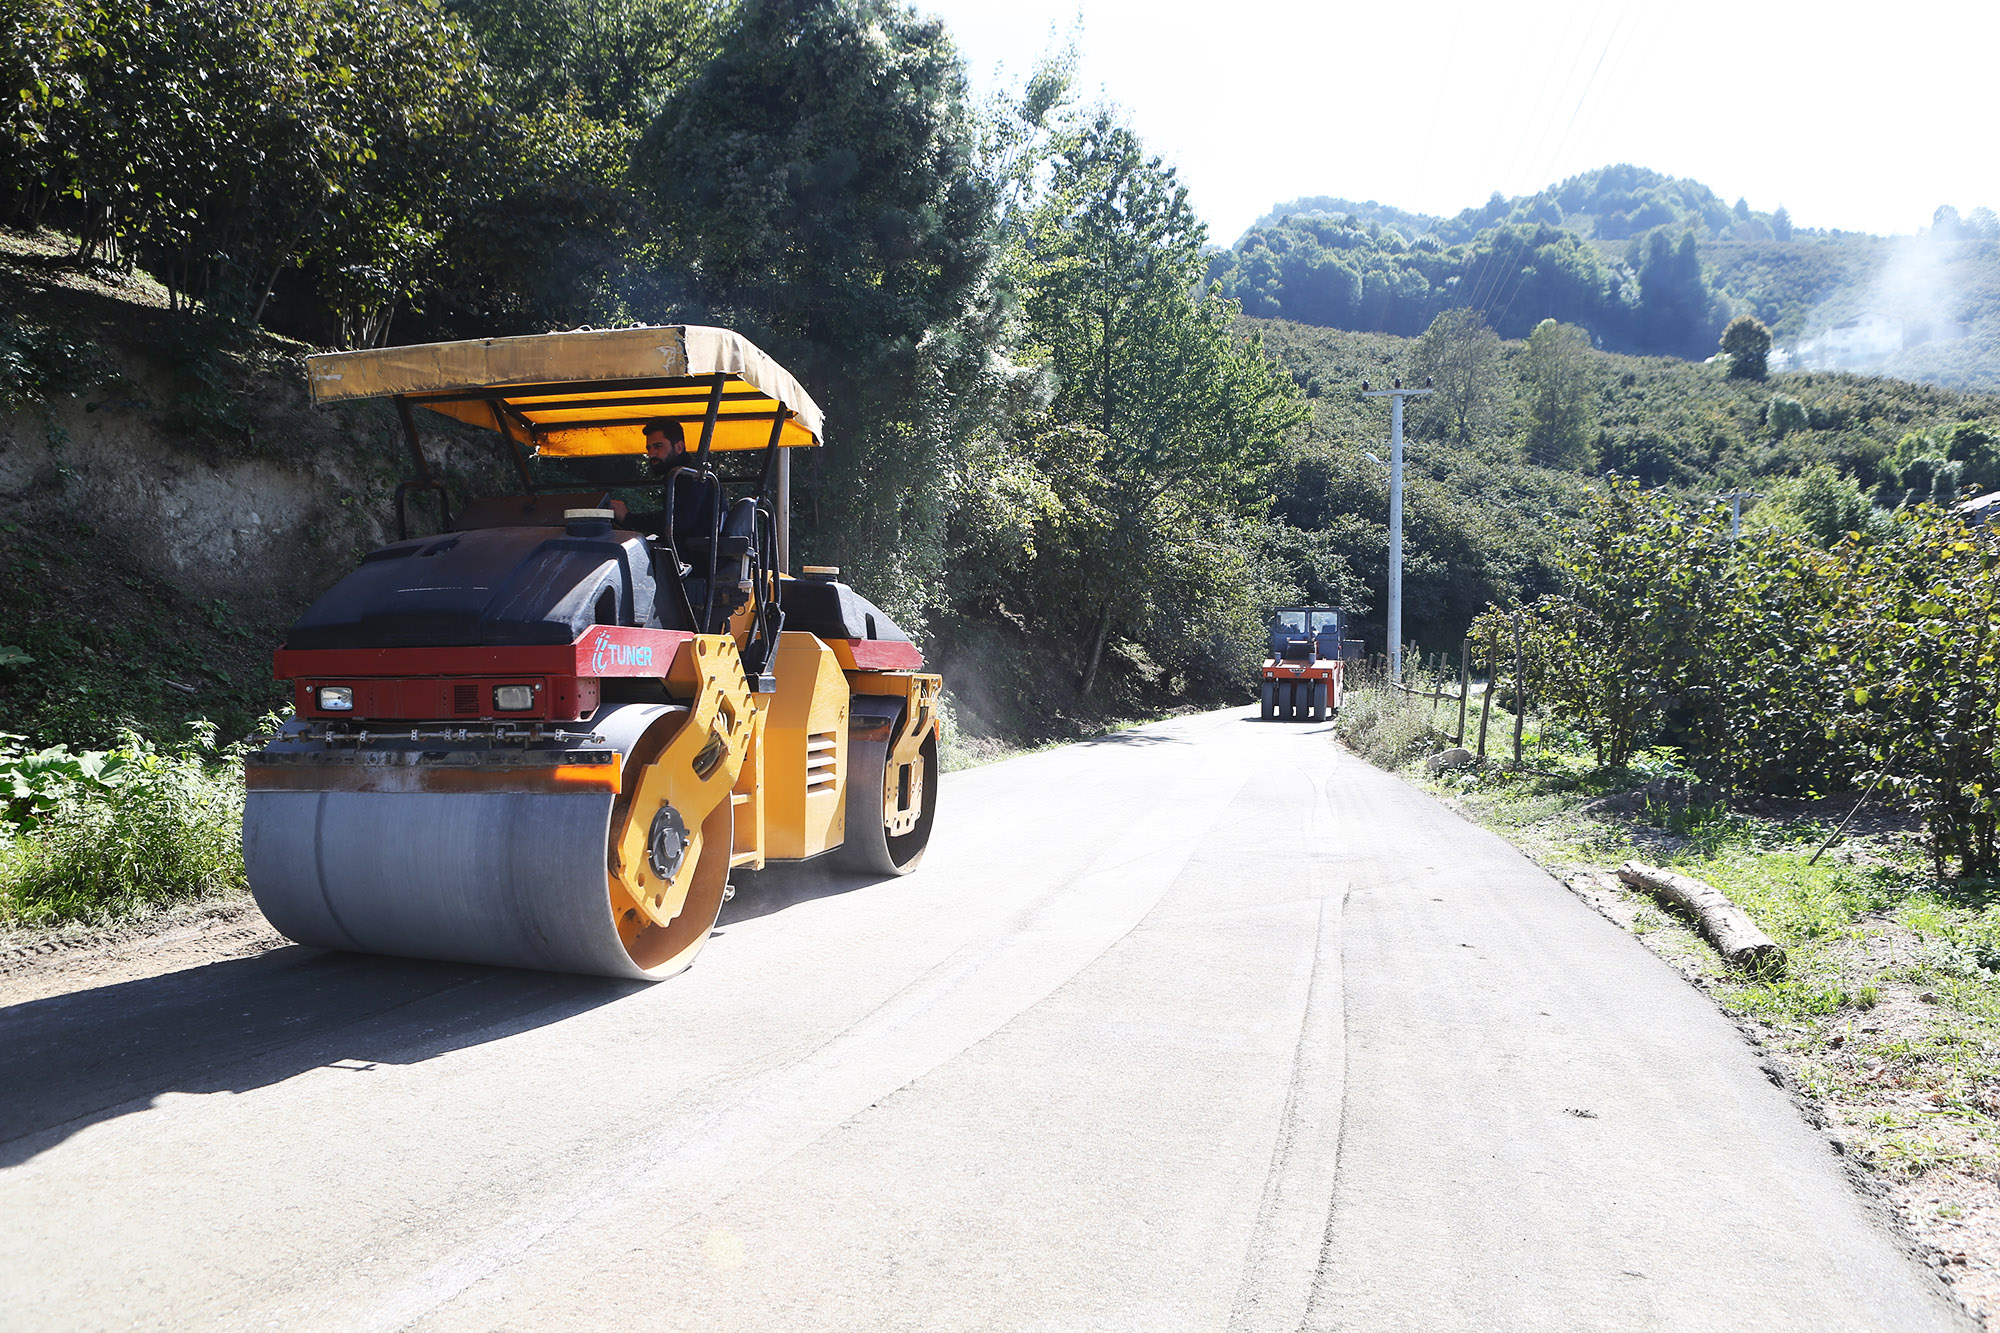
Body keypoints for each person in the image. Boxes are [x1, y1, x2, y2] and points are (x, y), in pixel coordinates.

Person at [624, 417, 718, 545]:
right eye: (649, 448)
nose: (652, 454)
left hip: (693, 557)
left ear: (679, 447)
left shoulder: (691, 477)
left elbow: (678, 522)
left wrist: (628, 519)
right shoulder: (677, 476)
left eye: (658, 446)